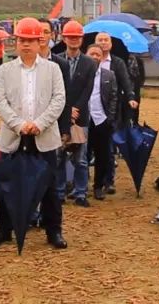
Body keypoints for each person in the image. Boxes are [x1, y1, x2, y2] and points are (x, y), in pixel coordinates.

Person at [0, 17, 68, 251]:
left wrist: (40, 123)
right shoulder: (5, 70)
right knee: (5, 185)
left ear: (40, 41)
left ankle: (54, 230)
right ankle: (3, 229)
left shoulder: (53, 69)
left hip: (44, 137)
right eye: (22, 40)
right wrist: (19, 124)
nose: (26, 45)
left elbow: (59, 99)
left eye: (31, 40)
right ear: (16, 42)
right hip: (13, 137)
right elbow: (0, 101)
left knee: (50, 187)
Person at [54, 20, 98, 206]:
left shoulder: (89, 63)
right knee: (59, 156)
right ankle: (59, 192)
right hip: (59, 115)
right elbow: (56, 89)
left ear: (82, 39)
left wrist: (75, 110)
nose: (73, 40)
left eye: (77, 37)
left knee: (81, 158)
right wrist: (65, 110)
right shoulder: (56, 60)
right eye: (70, 37)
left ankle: (81, 193)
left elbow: (88, 89)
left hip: (81, 117)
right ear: (64, 38)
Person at [94, 32, 136, 194]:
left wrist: (131, 97)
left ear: (111, 44)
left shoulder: (117, 63)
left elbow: (126, 82)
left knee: (108, 148)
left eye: (106, 40)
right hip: (91, 111)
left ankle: (108, 181)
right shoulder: (89, 60)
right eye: (100, 40)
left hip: (111, 110)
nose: (103, 43)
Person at [84, 44, 118, 201]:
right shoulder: (80, 74)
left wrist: (109, 118)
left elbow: (113, 98)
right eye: (92, 54)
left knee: (102, 156)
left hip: (102, 121)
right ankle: (81, 186)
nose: (95, 57)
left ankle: (98, 186)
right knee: (81, 155)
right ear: (86, 55)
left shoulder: (109, 75)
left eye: (98, 54)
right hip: (84, 120)